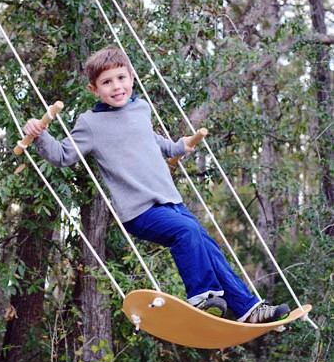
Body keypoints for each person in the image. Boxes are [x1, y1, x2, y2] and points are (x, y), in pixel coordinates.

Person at [24, 46, 290, 323]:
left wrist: (177, 146)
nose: (116, 87)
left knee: (208, 246)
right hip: (140, 212)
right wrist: (39, 134)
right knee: (187, 232)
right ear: (94, 90)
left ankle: (249, 309)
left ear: (131, 77)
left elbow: (150, 139)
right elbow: (62, 155)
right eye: (106, 82)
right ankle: (201, 297)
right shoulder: (91, 124)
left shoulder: (140, 108)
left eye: (121, 78)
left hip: (171, 203)